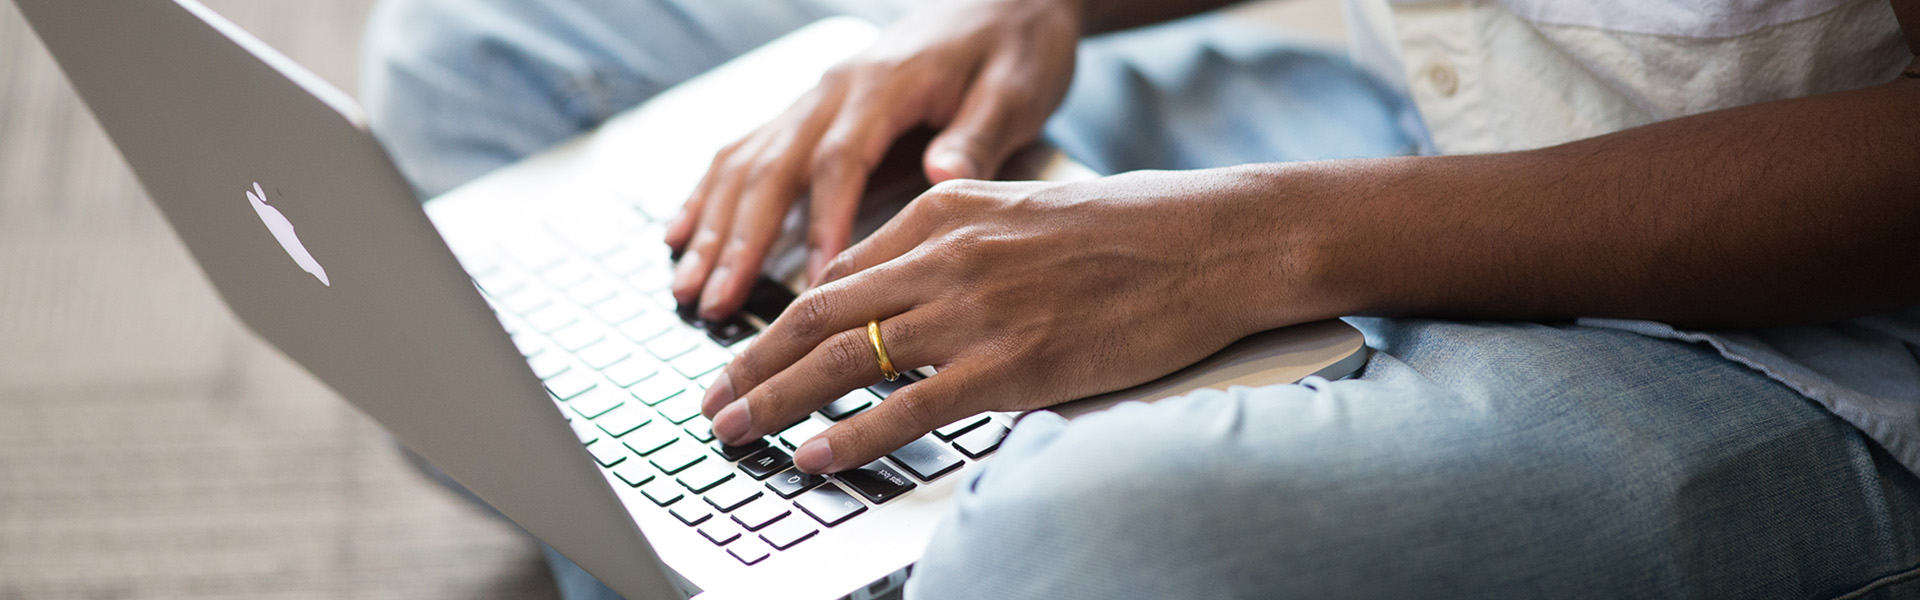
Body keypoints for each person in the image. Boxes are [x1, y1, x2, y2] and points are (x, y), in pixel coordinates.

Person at [359, 0, 1920, 597]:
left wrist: (1250, 245)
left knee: (1078, 545)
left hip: (1798, 331)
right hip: (1402, 102)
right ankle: (795, 558)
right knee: (484, 66)